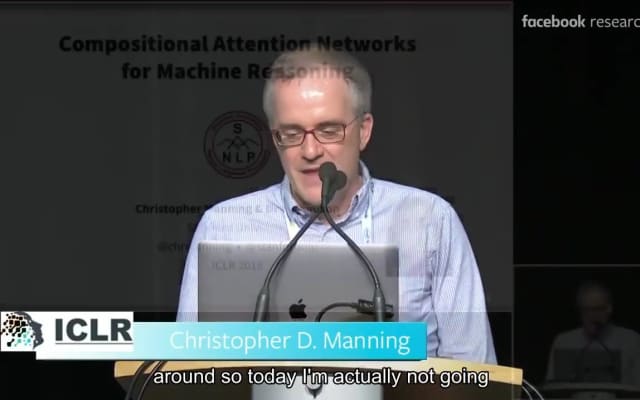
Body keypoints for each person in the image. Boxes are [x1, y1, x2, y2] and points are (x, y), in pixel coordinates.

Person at [177, 44, 497, 364]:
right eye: (292, 133)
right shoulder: (223, 227)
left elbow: (475, 373)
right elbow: (185, 373)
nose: (310, 151)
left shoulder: (430, 221)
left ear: (364, 131)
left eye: (329, 131)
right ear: (276, 140)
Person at [545, 281, 640, 385]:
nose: (591, 316)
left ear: (609, 309)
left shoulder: (631, 340)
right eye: (586, 310)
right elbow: (555, 388)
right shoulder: (563, 342)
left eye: (597, 309)